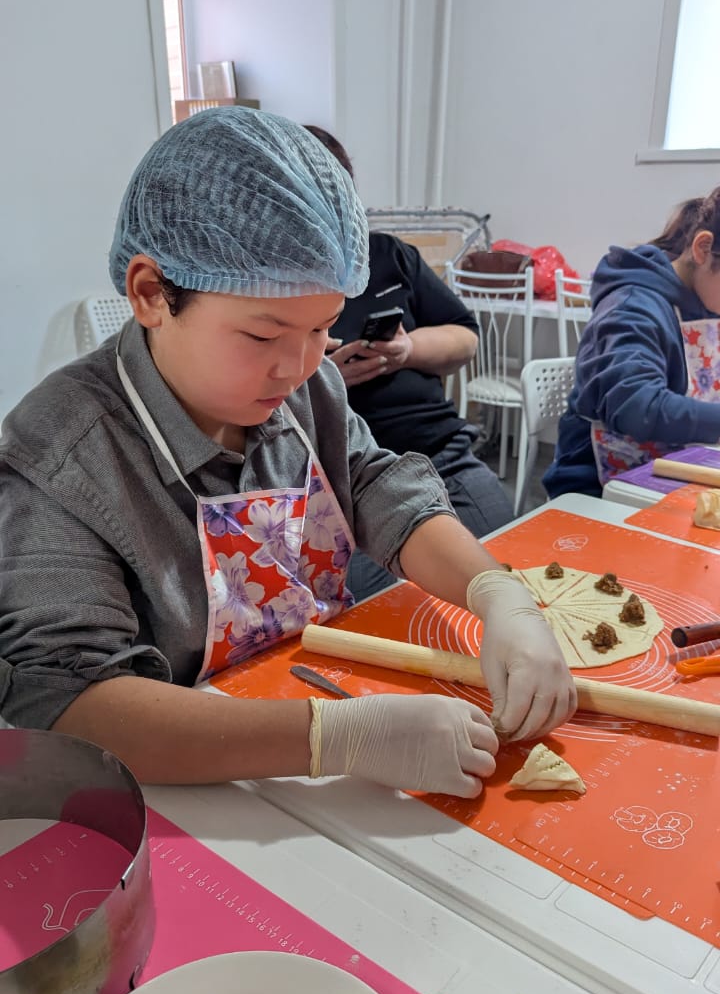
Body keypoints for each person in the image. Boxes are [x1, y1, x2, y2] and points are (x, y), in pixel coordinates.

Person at [0, 108, 575, 796]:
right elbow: (75, 706)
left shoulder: (307, 388)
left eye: (323, 328)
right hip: (179, 786)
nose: (299, 366)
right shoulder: (59, 457)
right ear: (151, 294)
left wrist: (497, 593)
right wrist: (334, 738)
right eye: (262, 335)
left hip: (302, 695)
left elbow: (372, 485)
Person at [304, 125, 513, 599]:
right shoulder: (277, 285)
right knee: (388, 605)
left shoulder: (390, 256)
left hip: (440, 455)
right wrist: (323, 377)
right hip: (345, 483)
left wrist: (407, 350)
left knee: (508, 565)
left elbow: (465, 338)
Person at [544, 189, 720, 499]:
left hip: (673, 470)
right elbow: (637, 406)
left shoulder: (705, 301)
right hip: (595, 488)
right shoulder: (631, 306)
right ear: (703, 248)